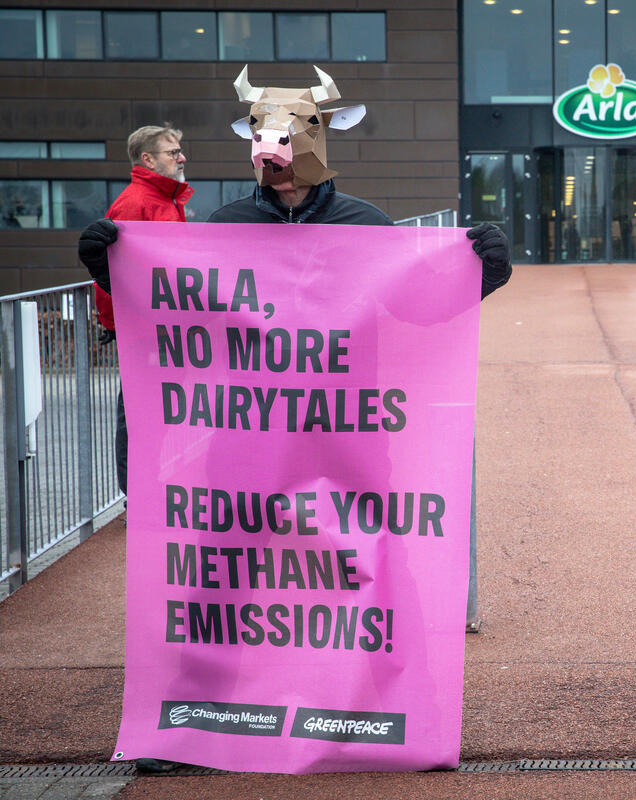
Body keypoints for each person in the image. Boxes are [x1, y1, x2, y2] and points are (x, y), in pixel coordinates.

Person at [77, 69, 511, 775]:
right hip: (247, 436)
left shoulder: (367, 226)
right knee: (222, 570)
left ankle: (403, 715)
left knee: (377, 565)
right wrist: (115, 269)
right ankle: (193, 719)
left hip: (348, 431)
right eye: (260, 133)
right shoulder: (223, 229)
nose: (271, 148)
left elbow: (422, 306)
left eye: (286, 133)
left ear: (321, 135)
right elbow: (178, 317)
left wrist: (480, 271)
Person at [77, 124, 192, 497]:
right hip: (144, 327)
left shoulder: (165, 199)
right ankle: (139, 497)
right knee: (140, 416)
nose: (181, 158)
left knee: (153, 413)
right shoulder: (136, 202)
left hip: (159, 324)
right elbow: (115, 272)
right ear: (148, 159)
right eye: (172, 152)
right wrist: (119, 324)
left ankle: (148, 491)